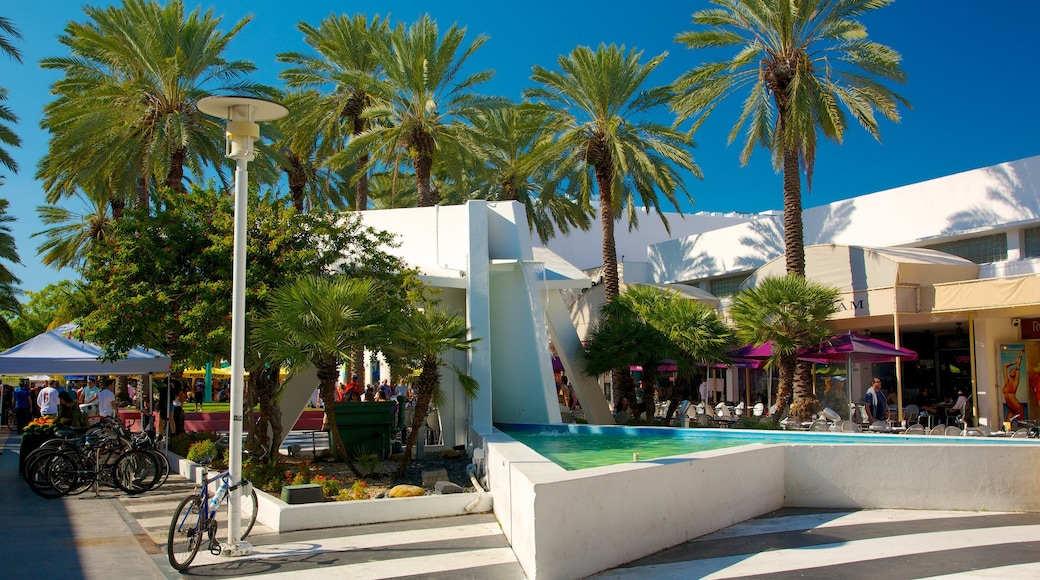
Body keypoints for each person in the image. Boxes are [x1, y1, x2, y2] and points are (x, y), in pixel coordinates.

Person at [1003, 352, 1025, 421]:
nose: (1013, 372)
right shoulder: (1007, 381)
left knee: (1021, 426)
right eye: (1012, 371)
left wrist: (1020, 354)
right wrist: (1014, 362)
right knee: (1006, 427)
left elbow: (1018, 365)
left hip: (1018, 408)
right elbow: (1005, 366)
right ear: (1009, 372)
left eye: (1014, 371)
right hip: (1011, 409)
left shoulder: (1016, 381)